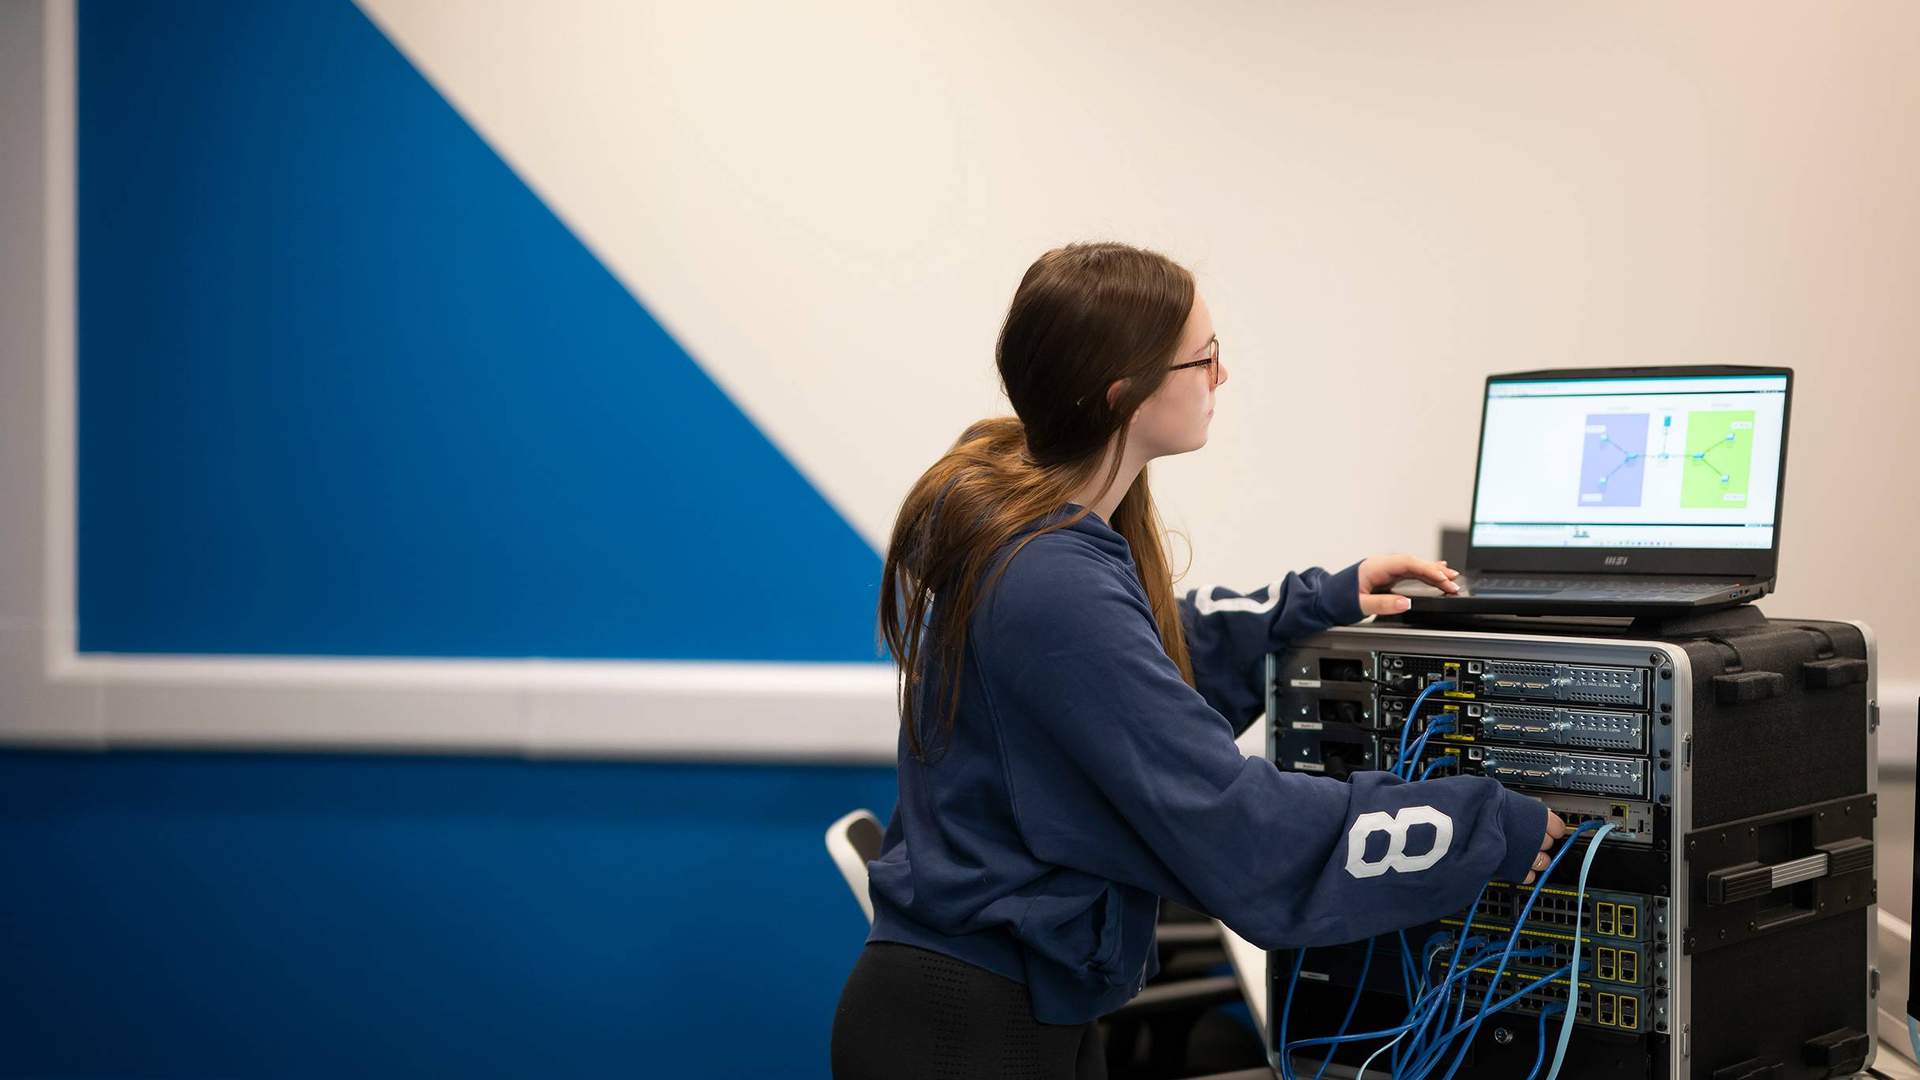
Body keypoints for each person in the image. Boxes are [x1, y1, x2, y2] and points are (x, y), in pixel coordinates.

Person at [831, 242, 1566, 1080]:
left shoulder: (1037, 534)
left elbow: (1158, 649)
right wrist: (1479, 826)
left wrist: (1322, 599)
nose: (1222, 375)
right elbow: (1234, 823)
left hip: (1011, 1003)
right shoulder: (1049, 580)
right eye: (1203, 357)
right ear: (1125, 393)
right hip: (969, 1034)